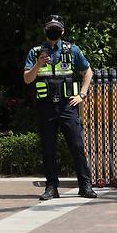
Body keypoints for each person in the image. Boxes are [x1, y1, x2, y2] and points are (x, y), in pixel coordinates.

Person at [23, 15, 97, 200]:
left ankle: (85, 185)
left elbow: (87, 71)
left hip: (67, 106)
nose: (53, 30)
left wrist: (82, 94)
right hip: (46, 106)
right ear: (45, 30)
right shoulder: (35, 52)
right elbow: (27, 79)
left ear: (62, 31)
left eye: (56, 28)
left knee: (77, 146)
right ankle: (51, 188)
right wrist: (38, 65)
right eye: (50, 27)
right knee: (48, 148)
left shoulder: (72, 50)